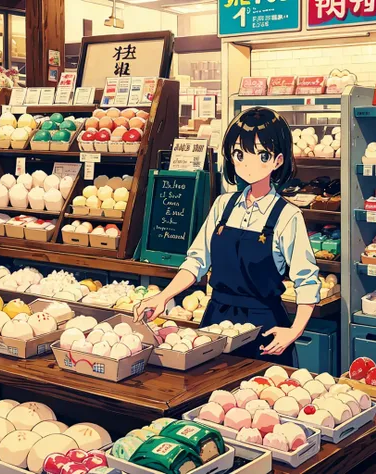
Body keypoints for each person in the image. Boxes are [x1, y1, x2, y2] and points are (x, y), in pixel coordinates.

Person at [134, 107, 321, 366]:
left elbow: (307, 280)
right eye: (239, 154)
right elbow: (196, 262)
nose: (248, 163)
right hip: (215, 321)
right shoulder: (223, 206)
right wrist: (163, 296)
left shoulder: (287, 216)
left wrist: (294, 330)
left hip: (264, 327)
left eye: (262, 155)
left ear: (278, 160)